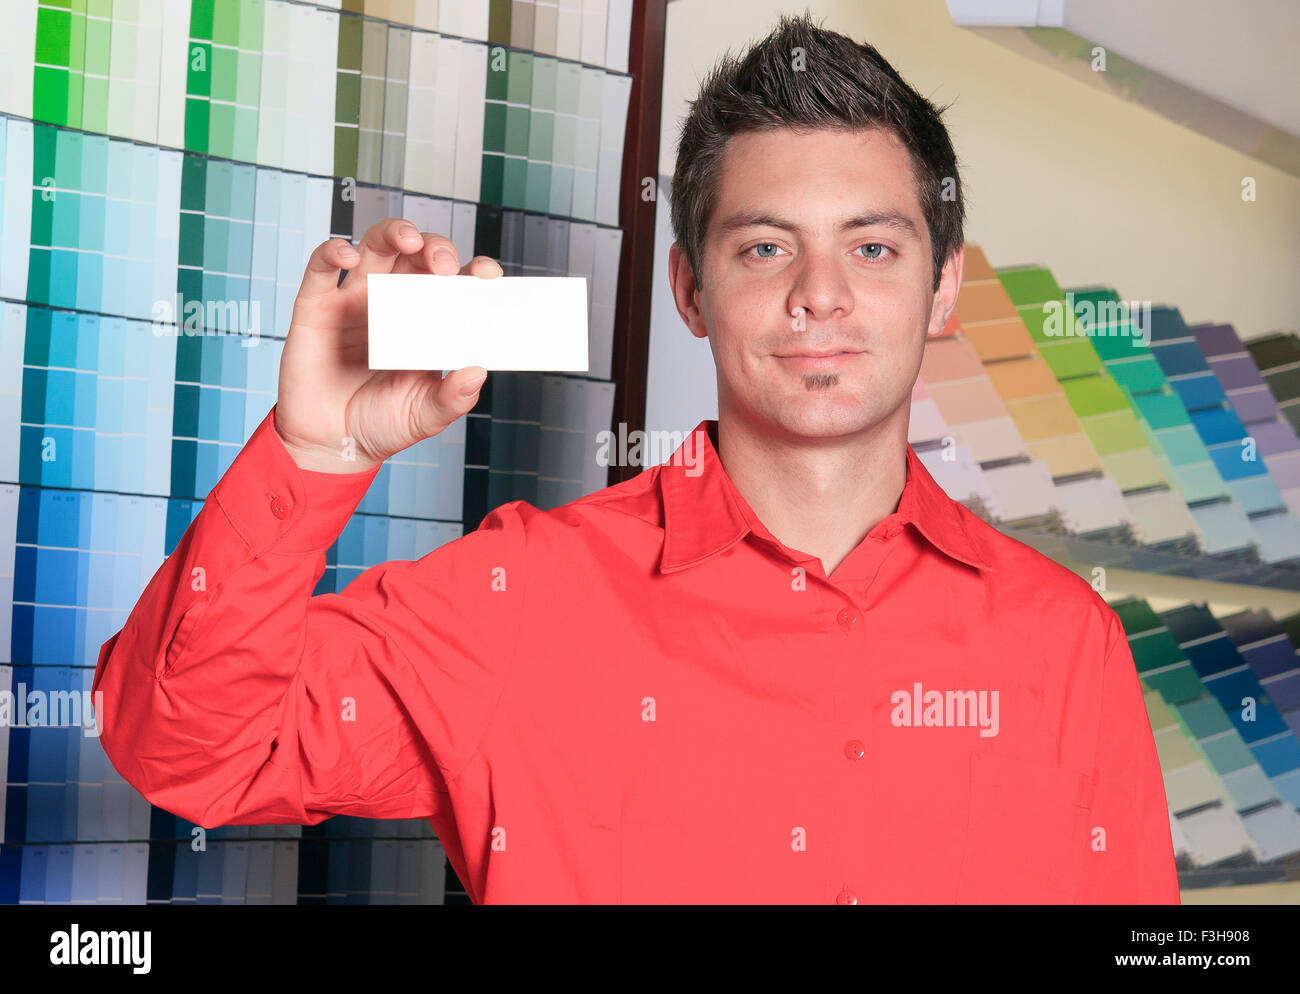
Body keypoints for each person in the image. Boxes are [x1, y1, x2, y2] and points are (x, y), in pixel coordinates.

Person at [93, 12, 1179, 904]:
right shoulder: (517, 600)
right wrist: (314, 449)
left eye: (873, 245)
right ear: (690, 290)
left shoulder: (1066, 643)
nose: (819, 294)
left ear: (941, 288)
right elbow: (191, 750)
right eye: (764, 245)